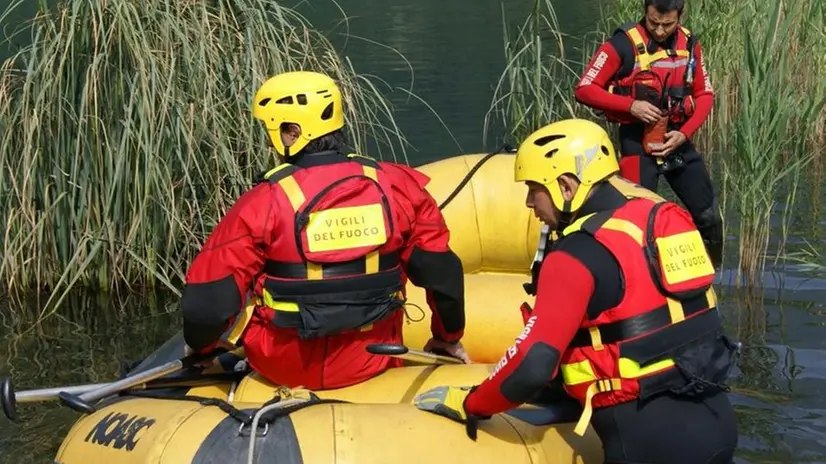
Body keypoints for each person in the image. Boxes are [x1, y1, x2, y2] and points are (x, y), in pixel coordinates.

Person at [414, 119, 740, 464]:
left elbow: (533, 365)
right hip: (717, 422)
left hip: (647, 443)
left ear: (566, 187)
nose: (528, 202)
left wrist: (471, 403)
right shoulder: (662, 219)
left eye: (533, 188)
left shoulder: (575, 254)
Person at [180, 70, 470, 390]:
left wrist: (201, 349)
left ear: (291, 131)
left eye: (271, 128)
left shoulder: (261, 203)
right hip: (372, 359)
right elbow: (443, 276)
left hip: (283, 366)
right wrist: (447, 338)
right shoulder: (397, 187)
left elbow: (208, 304)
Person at [573, 0, 724, 268]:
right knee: (638, 223)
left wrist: (684, 134)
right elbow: (585, 88)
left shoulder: (690, 44)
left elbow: (704, 95)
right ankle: (638, 282)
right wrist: (631, 105)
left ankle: (711, 281)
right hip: (636, 141)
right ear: (645, 11)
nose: (660, 30)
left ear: (680, 15)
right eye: (653, 22)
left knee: (709, 216)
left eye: (668, 24)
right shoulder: (622, 44)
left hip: (675, 138)